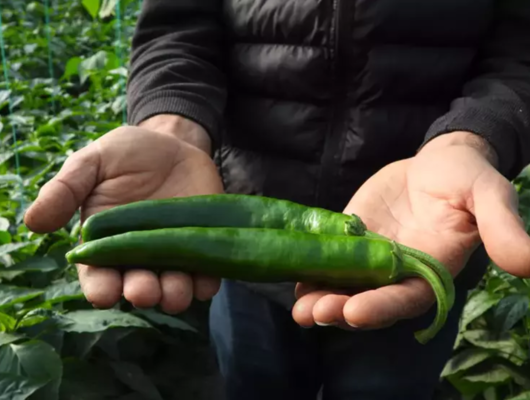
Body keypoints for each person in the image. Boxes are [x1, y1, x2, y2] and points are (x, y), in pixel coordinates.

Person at [24, 1, 530, 399]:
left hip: (423, 226)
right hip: (243, 236)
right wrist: (172, 125)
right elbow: (177, 26)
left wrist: (469, 138)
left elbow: (519, 46)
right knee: (254, 383)